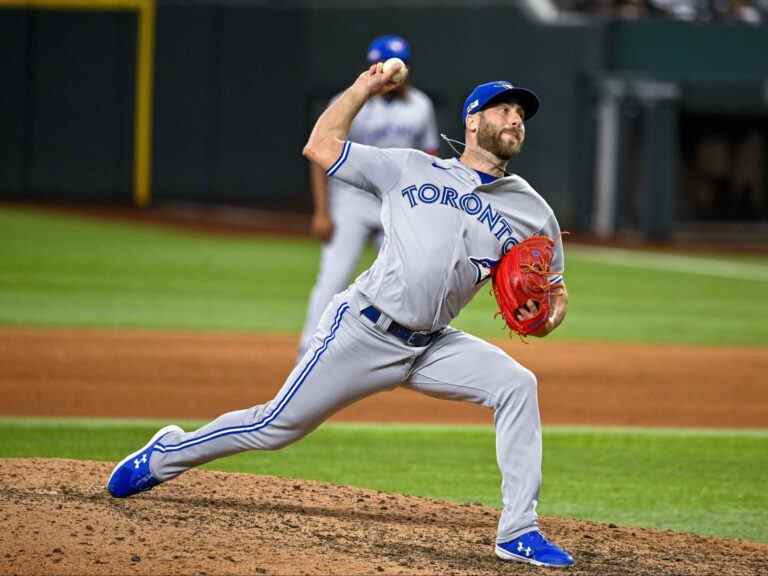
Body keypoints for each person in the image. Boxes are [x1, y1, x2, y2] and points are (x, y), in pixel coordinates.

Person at [106, 63, 573, 568]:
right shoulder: (411, 167)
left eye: (521, 113)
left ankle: (518, 531)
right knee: (276, 427)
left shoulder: (531, 210)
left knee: (517, 384)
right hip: (363, 329)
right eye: (503, 109)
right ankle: (166, 454)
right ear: (472, 122)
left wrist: (548, 317)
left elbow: (555, 290)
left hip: (434, 345)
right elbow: (321, 146)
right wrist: (364, 88)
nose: (515, 118)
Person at [298, 34, 439, 357]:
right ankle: (309, 350)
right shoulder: (347, 102)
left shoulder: (421, 106)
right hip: (350, 200)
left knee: (407, 277)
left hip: (396, 201)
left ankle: (391, 350)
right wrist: (322, 211)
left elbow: (428, 159)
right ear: (373, 67)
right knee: (333, 276)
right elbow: (319, 159)